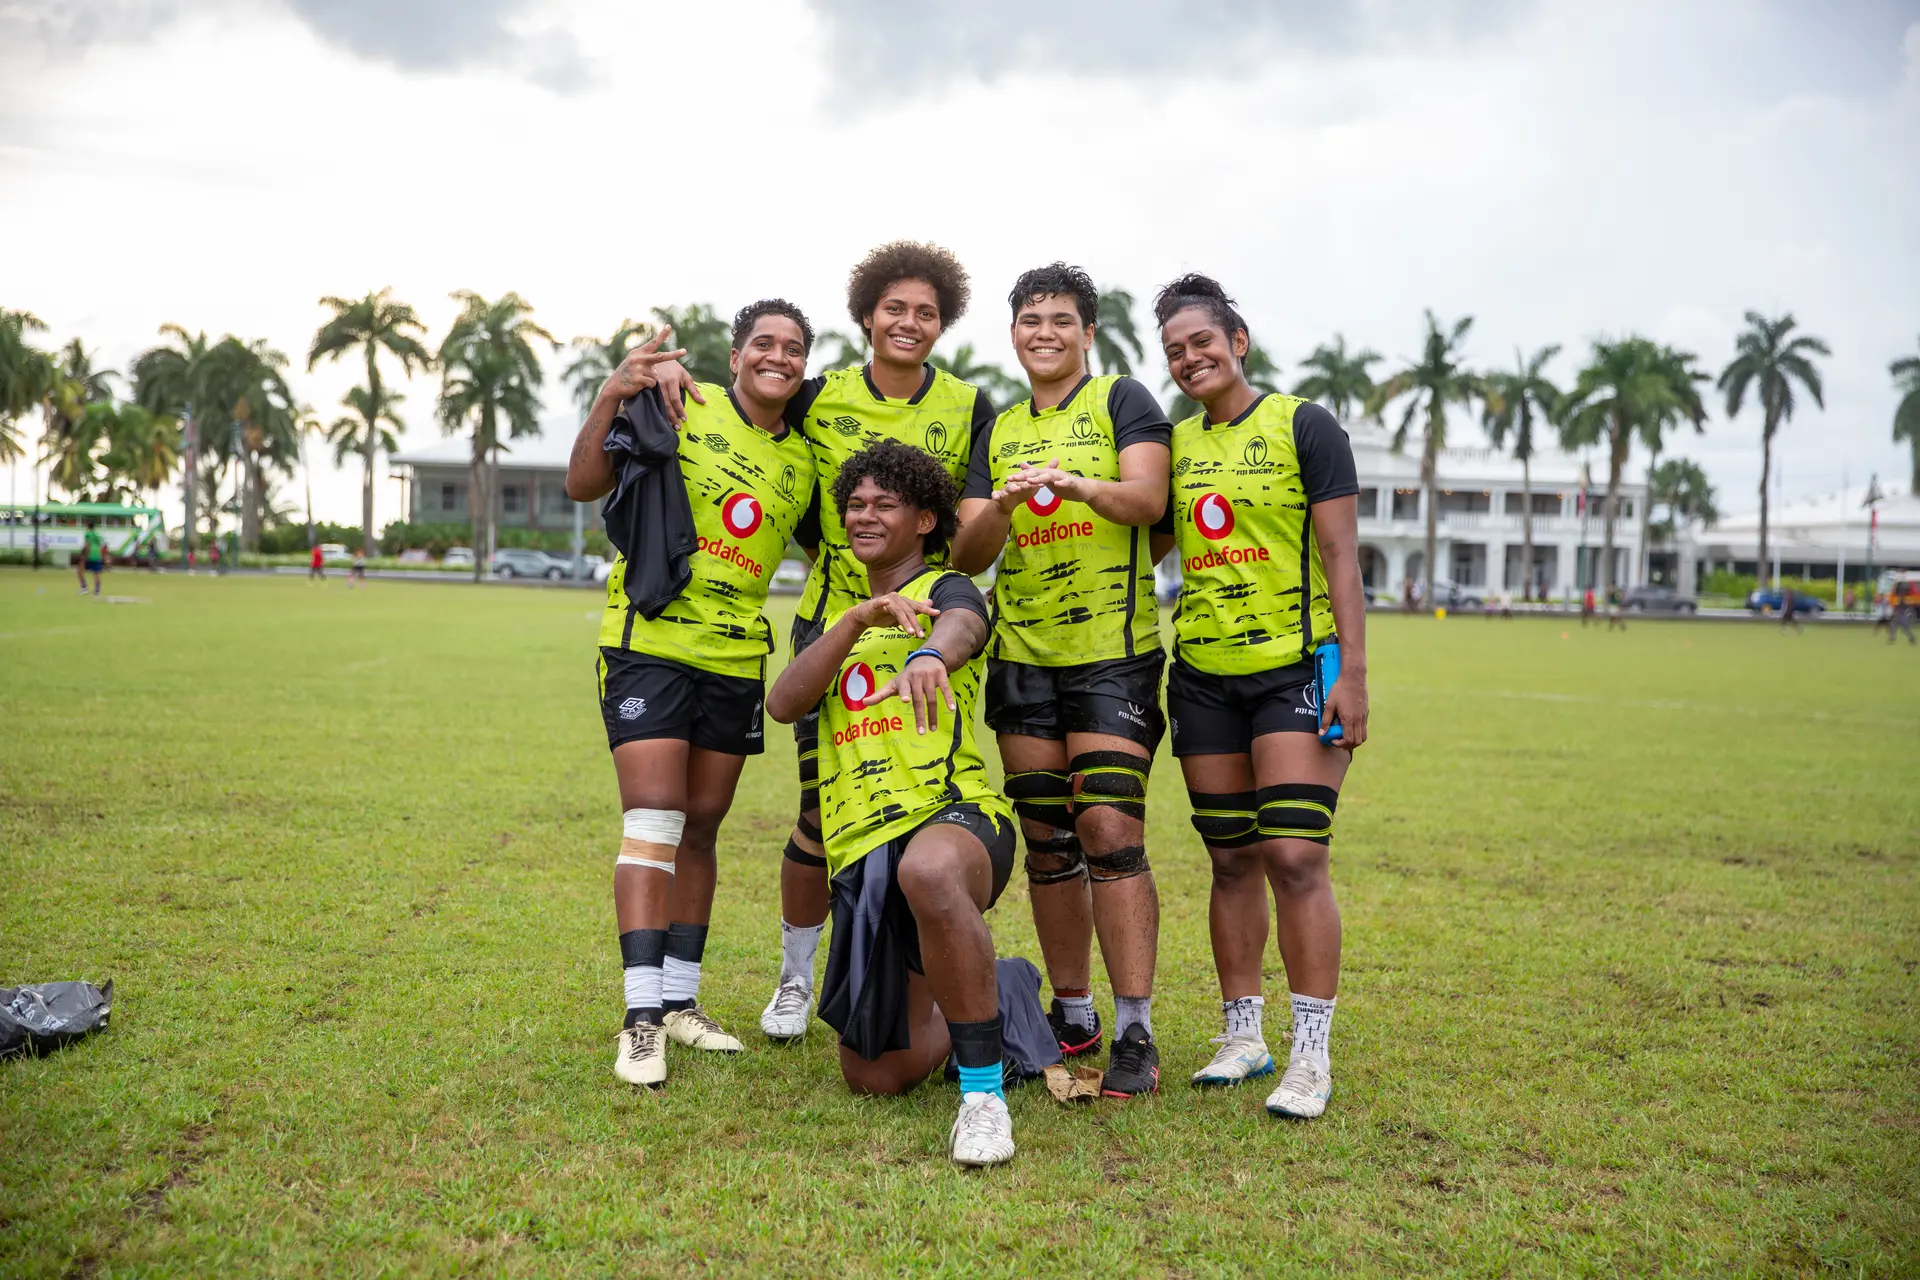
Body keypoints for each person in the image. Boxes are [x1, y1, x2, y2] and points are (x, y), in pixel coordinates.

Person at [653, 242, 997, 1043]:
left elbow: (972, 526)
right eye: (894, 308)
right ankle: (796, 980)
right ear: (868, 316)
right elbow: (752, 406)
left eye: (925, 312)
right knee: (819, 811)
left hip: (925, 621)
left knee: (921, 797)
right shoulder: (820, 395)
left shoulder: (970, 405)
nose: (908, 323)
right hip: (831, 629)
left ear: (942, 324)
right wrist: (679, 380)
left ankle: (920, 962)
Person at [564, 302, 819, 1089]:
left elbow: (841, 546)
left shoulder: (804, 464)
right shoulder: (682, 399)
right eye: (765, 344)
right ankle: (641, 1019)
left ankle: (681, 1001)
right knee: (654, 820)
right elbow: (583, 483)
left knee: (703, 828)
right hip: (650, 645)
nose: (779, 356)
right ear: (737, 354)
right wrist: (615, 389)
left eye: (795, 349)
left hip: (736, 659)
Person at [1150, 274, 1370, 1120]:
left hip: (1293, 671)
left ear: (1237, 341)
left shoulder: (1302, 424)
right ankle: (1243, 1035)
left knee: (1295, 856)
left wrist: (1350, 672)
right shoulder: (1175, 446)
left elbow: (1343, 559)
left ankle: (1311, 1055)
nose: (1189, 358)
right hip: (1203, 675)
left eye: (1202, 342)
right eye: (1173, 350)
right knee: (1231, 857)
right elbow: (1144, 529)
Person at [950, 262, 1172, 1097]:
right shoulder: (999, 429)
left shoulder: (1122, 402)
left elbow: (1150, 502)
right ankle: (1072, 1010)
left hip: (1111, 653)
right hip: (1022, 655)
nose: (1045, 331)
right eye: (1030, 319)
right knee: (1048, 842)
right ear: (1012, 335)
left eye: (1061, 319)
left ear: (1087, 332)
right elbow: (968, 553)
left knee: (1110, 830)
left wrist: (1081, 485)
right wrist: (1002, 509)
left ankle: (1136, 1028)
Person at [767, 439, 1018, 1167]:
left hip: (957, 820)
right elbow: (785, 704)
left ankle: (983, 1095)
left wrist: (930, 653)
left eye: (885, 503)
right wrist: (854, 622)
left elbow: (964, 626)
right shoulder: (840, 623)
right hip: (867, 854)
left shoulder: (949, 589)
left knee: (930, 873)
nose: (864, 515)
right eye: (855, 504)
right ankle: (998, 990)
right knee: (875, 1076)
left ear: (926, 521)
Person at [78, 520, 104, 595]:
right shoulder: (97, 534)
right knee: (96, 573)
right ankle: (97, 590)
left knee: (80, 570)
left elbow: (87, 545)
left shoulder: (88, 534)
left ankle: (84, 587)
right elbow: (100, 545)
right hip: (97, 554)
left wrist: (84, 555)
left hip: (89, 554)